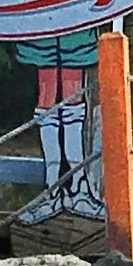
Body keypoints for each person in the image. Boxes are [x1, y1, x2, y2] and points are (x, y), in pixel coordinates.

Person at [13, 27, 102, 225]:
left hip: (77, 22)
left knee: (73, 94)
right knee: (47, 96)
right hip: (41, 24)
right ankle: (52, 189)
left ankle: (78, 187)